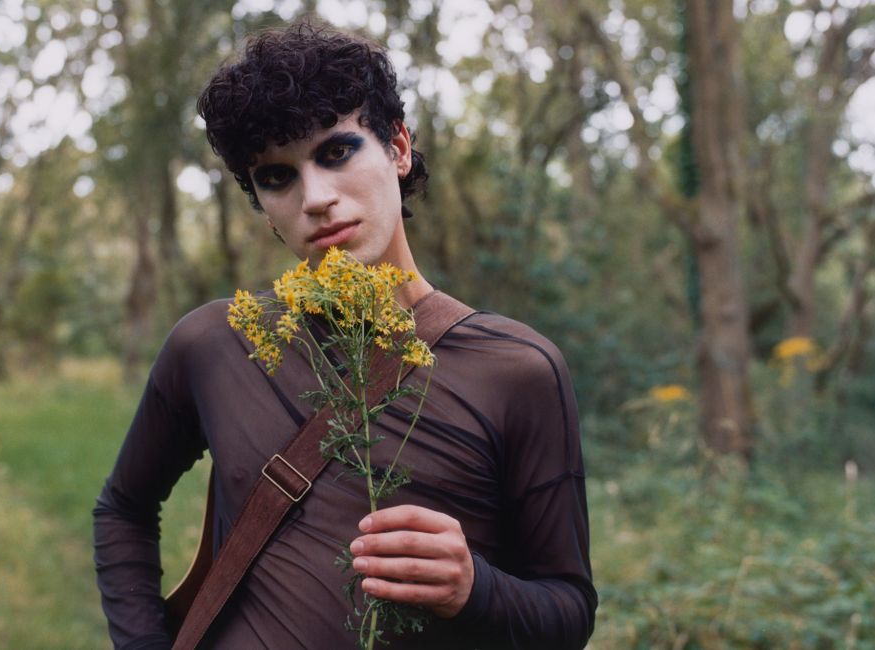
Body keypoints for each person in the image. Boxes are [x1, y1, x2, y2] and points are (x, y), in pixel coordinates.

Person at [93, 21, 596, 650]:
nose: (316, 198)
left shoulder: (516, 370)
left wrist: (474, 590)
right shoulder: (214, 345)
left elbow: (568, 612)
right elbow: (123, 509)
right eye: (277, 177)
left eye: (336, 152)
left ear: (398, 148)